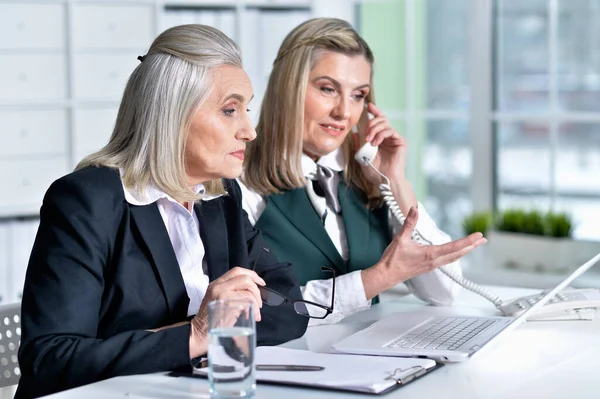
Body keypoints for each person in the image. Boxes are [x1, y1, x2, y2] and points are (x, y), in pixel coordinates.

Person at [16, 25, 308, 398]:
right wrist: (198, 332)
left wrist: (185, 336)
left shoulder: (221, 196)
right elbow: (51, 360)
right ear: (173, 114)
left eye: (246, 110)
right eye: (230, 110)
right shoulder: (86, 200)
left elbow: (292, 309)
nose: (249, 131)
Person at [240, 18, 487, 326]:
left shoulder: (366, 177)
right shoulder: (240, 179)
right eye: (328, 89)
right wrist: (376, 279)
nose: (344, 112)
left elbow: (444, 292)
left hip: (375, 360)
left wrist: (395, 180)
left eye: (358, 95)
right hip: (288, 363)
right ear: (287, 89)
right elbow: (252, 309)